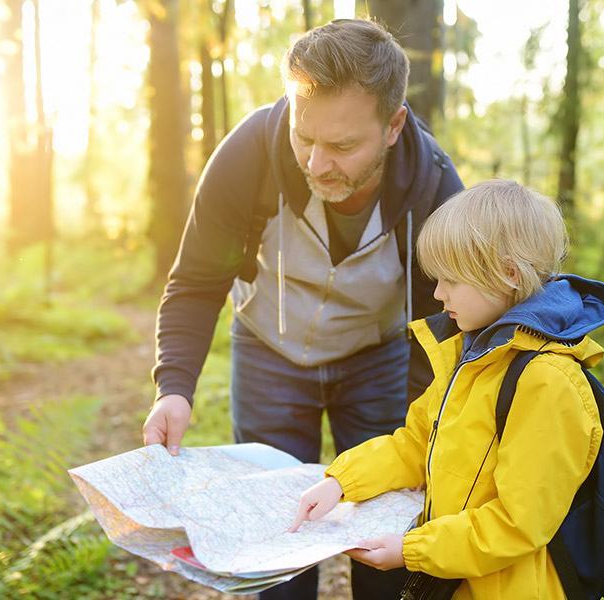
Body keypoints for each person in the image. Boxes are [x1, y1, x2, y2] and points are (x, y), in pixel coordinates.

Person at [142, 17, 464, 600]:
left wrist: (425, 438)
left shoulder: (434, 191)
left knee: (383, 526)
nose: (316, 164)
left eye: (342, 146)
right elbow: (195, 281)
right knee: (276, 533)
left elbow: (445, 328)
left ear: (393, 126)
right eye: (304, 137)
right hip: (269, 353)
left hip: (380, 359)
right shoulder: (246, 158)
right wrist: (174, 386)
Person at [289, 179, 604, 600]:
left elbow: (518, 524)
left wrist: (412, 551)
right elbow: (416, 444)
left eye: (451, 279)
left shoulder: (547, 383)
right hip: (459, 580)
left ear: (508, 273)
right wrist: (340, 482)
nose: (438, 292)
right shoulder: (473, 353)